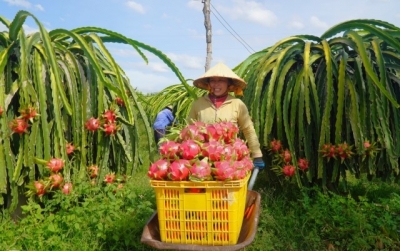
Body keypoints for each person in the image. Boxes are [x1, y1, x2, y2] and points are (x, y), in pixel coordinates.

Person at [187, 62, 265, 170]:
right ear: (208, 83)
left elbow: (248, 129)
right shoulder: (198, 104)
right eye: (213, 80)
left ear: (229, 84)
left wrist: (257, 154)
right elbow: (188, 130)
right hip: (203, 161)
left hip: (230, 161)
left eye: (221, 80)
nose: (216, 84)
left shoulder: (237, 104)